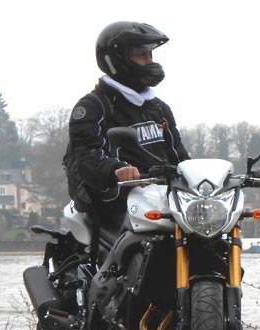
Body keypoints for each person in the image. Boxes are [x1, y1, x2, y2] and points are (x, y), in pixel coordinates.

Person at [66, 21, 190, 237]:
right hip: (114, 204)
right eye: (141, 54)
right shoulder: (93, 107)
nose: (149, 61)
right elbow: (87, 157)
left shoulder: (159, 108)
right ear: (118, 59)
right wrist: (116, 169)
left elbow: (178, 155)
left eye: (150, 54)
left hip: (161, 202)